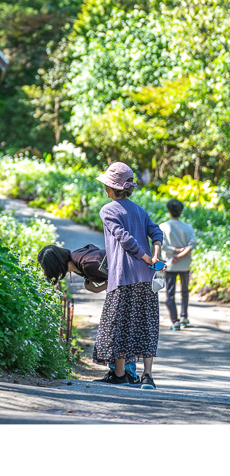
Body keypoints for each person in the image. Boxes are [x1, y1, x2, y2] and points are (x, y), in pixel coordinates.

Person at [91, 161, 165, 389]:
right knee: (146, 324)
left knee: (118, 325)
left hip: (123, 277)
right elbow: (156, 231)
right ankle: (147, 376)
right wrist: (155, 256)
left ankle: (120, 374)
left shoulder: (107, 210)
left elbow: (125, 240)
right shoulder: (138, 209)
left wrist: (146, 257)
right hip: (147, 277)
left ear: (112, 189)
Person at [160, 199, 196, 331]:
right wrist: (181, 255)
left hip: (170, 265)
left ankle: (174, 321)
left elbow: (162, 245)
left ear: (168, 210)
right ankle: (184, 317)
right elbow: (192, 244)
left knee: (170, 293)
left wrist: (174, 252)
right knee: (185, 291)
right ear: (181, 211)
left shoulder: (163, 226)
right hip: (185, 265)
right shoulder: (188, 227)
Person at [37, 243, 107, 293]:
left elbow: (116, 278)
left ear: (54, 266)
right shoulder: (74, 260)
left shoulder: (87, 264)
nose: (45, 273)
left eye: (46, 270)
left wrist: (97, 289)